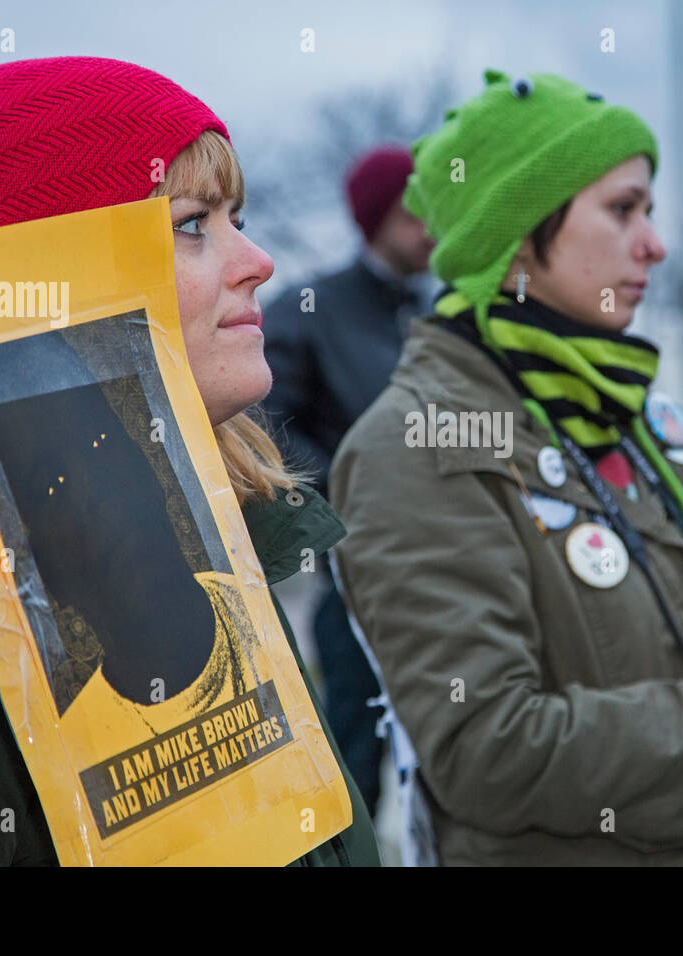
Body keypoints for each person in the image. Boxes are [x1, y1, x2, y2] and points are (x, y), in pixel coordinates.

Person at [0, 56, 378, 866]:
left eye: (236, 218)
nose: (259, 260)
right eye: (192, 224)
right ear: (44, 285)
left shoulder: (215, 541)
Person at [330, 70, 683, 866]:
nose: (654, 243)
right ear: (516, 234)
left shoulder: (627, 412)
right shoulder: (416, 443)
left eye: (649, 211)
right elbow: (487, 746)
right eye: (622, 210)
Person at [262, 145, 434, 816]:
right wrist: (354, 492)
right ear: (376, 219)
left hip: (442, 577)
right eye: (412, 211)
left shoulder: (432, 315)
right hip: (357, 582)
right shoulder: (311, 311)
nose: (430, 227)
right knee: (351, 771)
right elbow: (261, 424)